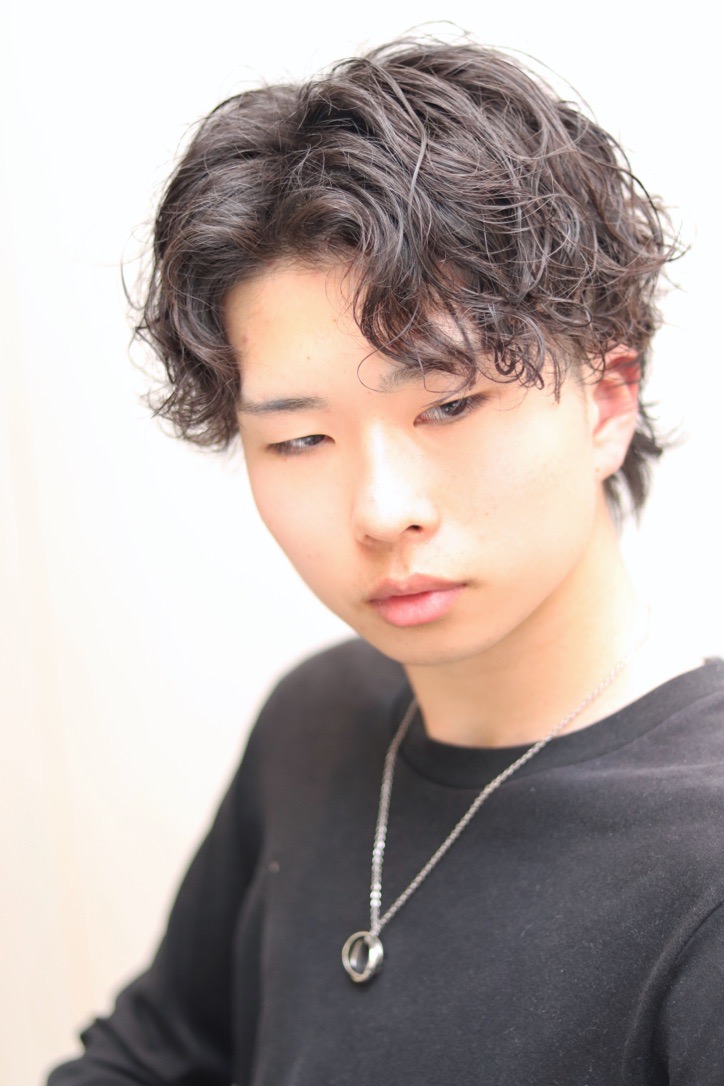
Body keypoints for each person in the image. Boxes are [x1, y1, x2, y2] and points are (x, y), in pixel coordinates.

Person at [48, 36, 724, 1086]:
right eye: (299, 440)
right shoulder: (315, 717)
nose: (381, 511)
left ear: (605, 400)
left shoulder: (700, 858)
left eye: (449, 406)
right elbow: (150, 1057)